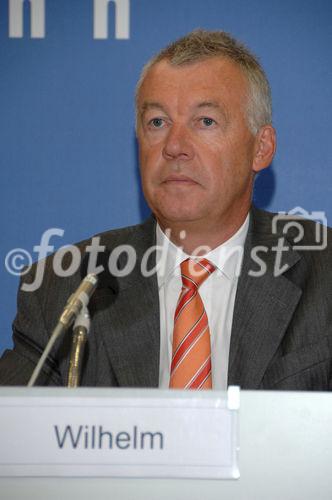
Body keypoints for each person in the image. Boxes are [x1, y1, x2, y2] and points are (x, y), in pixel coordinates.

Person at [0, 30, 331, 389]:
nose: (174, 146)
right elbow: (16, 431)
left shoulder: (324, 275)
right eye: (157, 122)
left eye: (206, 121)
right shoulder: (66, 284)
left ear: (261, 148)